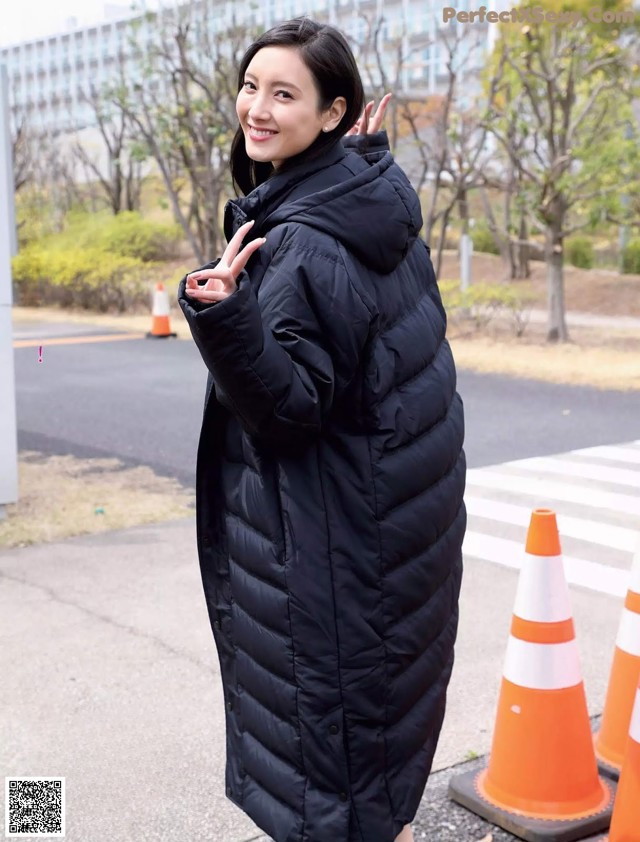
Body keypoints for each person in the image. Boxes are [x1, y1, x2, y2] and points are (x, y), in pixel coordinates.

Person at [178, 17, 466, 842]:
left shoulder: (304, 244)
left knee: (333, 792)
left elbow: (292, 411)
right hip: (384, 539)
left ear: (335, 111)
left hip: (329, 556)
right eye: (250, 86)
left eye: (283, 94)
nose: (255, 109)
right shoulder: (368, 200)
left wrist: (225, 314)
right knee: (375, 770)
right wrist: (363, 160)